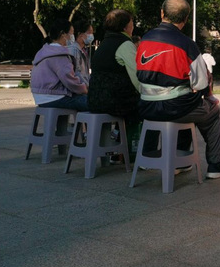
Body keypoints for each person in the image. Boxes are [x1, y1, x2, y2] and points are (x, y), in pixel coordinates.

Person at [136, 0, 220, 179]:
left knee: (189, 103)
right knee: (211, 111)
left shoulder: (145, 40)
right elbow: (201, 83)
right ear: (186, 19)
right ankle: (215, 165)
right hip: (175, 108)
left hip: (146, 106)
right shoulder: (187, 44)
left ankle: (179, 161)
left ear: (162, 13)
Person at [88, 9, 150, 159]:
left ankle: (118, 149)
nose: (133, 25)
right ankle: (138, 153)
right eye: (132, 22)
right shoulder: (125, 44)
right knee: (147, 108)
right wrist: (148, 94)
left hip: (95, 100)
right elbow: (137, 77)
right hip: (115, 101)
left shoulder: (104, 44)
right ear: (125, 26)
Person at [31, 18, 89, 111]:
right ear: (63, 35)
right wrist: (84, 89)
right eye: (71, 33)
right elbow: (70, 81)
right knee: (94, 103)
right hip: (54, 97)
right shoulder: (59, 55)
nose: (73, 37)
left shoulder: (45, 51)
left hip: (40, 97)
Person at [68, 19, 93, 85]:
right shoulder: (74, 50)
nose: (92, 35)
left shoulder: (83, 50)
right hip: (80, 88)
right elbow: (76, 73)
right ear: (80, 34)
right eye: (89, 32)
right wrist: (86, 86)